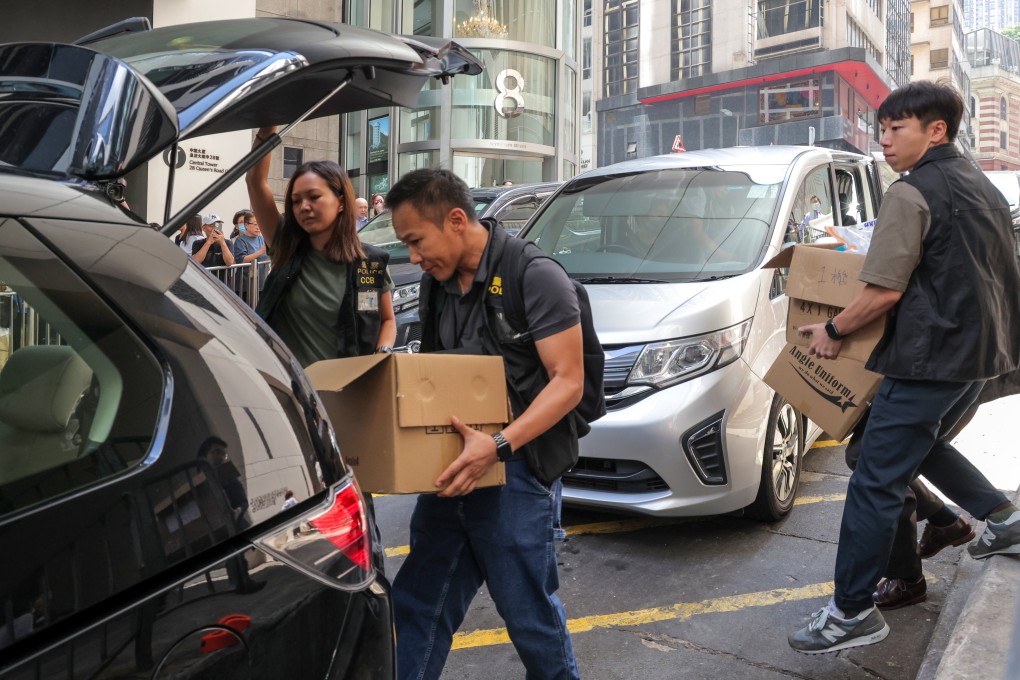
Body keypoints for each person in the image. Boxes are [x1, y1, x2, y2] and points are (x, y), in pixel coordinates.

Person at [788, 80, 1020, 654]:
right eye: (882, 129)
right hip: (981, 355)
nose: (884, 141)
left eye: (896, 129)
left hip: (928, 359)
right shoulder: (982, 185)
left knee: (874, 479)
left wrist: (834, 330)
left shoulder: (911, 192)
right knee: (912, 445)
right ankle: (1000, 517)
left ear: (935, 130)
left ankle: (851, 612)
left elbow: (884, 290)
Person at [387, 168, 584, 680]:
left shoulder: (534, 274)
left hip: (513, 469)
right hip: (453, 468)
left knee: (528, 617)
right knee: (417, 604)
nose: (412, 257)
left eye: (415, 240)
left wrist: (496, 446)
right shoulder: (438, 284)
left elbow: (568, 382)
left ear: (456, 220)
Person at [245, 126, 396, 367]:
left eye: (314, 197)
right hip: (290, 392)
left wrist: (383, 354)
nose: (303, 206)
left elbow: (388, 320)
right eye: (296, 201)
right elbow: (254, 182)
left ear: (340, 203)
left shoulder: (370, 261)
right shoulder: (285, 244)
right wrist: (267, 129)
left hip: (348, 393)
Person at [231, 210, 269, 302]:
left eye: (260, 223)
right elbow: (241, 259)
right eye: (255, 224)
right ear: (246, 225)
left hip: (262, 283)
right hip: (245, 286)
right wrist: (260, 252)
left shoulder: (263, 239)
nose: (258, 227)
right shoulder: (240, 240)